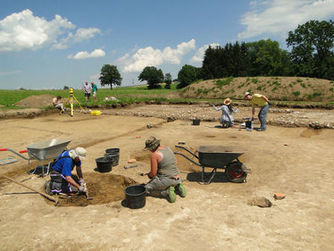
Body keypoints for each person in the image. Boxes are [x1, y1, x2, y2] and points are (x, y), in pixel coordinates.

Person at [144, 136, 186, 203]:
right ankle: (177, 187)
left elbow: (153, 174)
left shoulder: (155, 155)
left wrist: (149, 175)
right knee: (167, 180)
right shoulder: (168, 149)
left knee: (146, 189)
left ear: (151, 148)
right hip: (178, 178)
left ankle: (166, 192)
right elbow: (173, 163)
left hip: (167, 180)